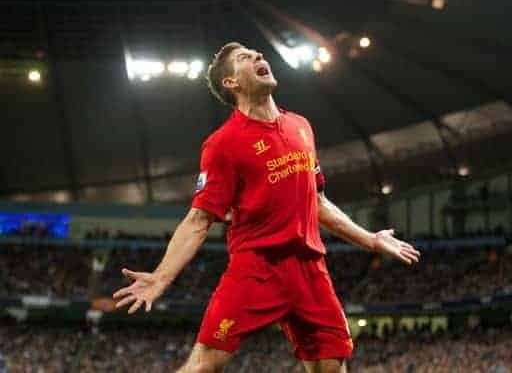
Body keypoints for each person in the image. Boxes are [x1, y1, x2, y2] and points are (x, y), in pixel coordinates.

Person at [113, 42, 421, 373]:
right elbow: (199, 220)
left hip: (309, 269)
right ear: (231, 82)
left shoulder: (300, 126)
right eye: (245, 58)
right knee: (207, 363)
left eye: (258, 53)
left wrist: (370, 240)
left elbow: (316, 201)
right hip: (257, 267)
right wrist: (161, 277)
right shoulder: (223, 144)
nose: (259, 57)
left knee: (331, 367)